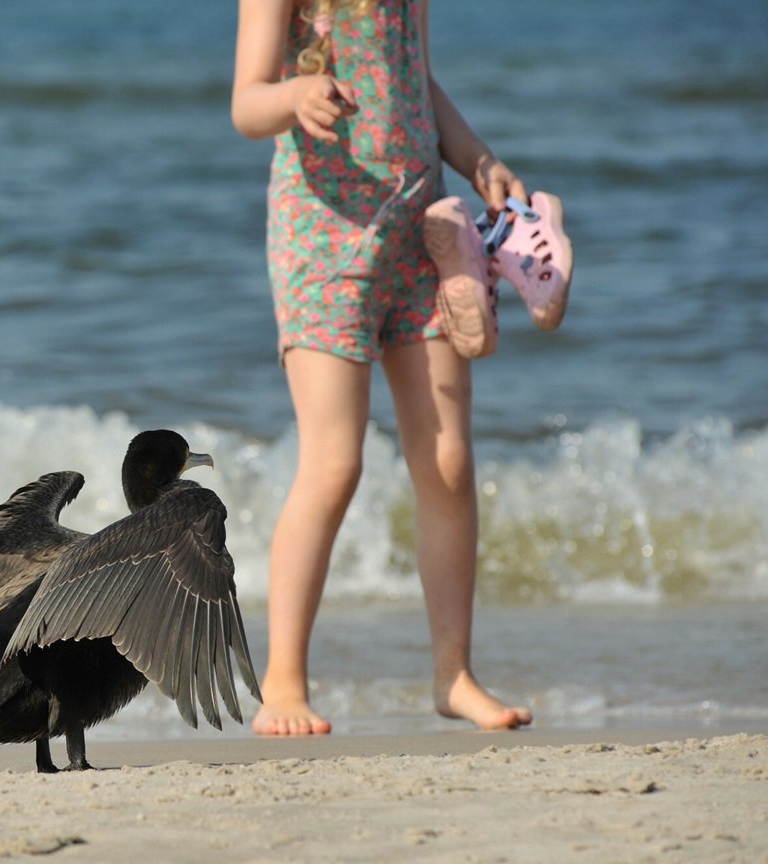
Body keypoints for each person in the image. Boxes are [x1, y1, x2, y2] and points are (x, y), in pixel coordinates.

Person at [231, 0, 534, 734]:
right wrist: (295, 95)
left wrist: (479, 159)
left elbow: (417, 81)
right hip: (322, 233)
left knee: (449, 458)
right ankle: (283, 682)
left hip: (420, 231)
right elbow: (247, 102)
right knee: (335, 462)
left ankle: (453, 675)